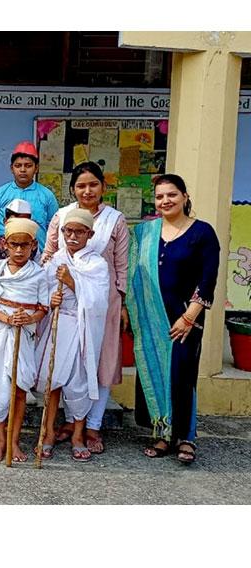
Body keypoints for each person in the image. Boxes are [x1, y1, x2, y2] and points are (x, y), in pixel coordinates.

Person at [126, 174, 220, 465]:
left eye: (172, 195)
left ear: (184, 196)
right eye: (159, 196)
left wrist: (189, 317)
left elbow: (208, 278)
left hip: (183, 319)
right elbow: (134, 276)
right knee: (157, 373)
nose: (165, 201)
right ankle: (164, 433)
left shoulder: (202, 232)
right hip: (151, 319)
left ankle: (187, 436)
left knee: (183, 374)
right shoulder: (145, 233)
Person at [41, 162, 129, 454]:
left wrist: (122, 301)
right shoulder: (61, 216)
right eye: (81, 185)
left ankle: (91, 425)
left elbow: (120, 266)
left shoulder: (115, 220)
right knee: (60, 367)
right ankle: (62, 425)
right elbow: (49, 255)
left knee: (96, 362)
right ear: (72, 189)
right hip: (61, 307)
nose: (87, 190)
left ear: (103, 186)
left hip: (101, 302)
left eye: (93, 184)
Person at [35, 209, 109, 462]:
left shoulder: (97, 263)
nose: (73, 236)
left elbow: (98, 303)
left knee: (78, 382)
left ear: (90, 234)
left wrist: (72, 282)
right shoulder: (55, 260)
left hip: (82, 330)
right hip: (58, 327)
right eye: (68, 231)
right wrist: (50, 299)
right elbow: (42, 292)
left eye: (79, 231)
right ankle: (48, 432)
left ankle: (78, 434)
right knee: (51, 380)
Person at [0, 218, 48, 463]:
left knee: (19, 388)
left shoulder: (39, 275)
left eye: (24, 245)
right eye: (14, 245)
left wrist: (26, 317)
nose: (19, 250)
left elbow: (42, 309)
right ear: (5, 244)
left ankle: (14, 441)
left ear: (33, 245)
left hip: (25, 336)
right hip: (2, 335)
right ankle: (0, 439)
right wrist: (7, 319)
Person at [0, 141, 59, 252]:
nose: (23, 170)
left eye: (28, 166)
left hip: (37, 259)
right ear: (11, 168)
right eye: (18, 166)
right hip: (3, 258)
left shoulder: (47, 196)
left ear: (36, 168)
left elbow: (54, 229)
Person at [0, 199, 34, 278]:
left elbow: (37, 274)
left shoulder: (33, 245)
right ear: (5, 222)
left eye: (24, 222)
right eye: (15, 222)